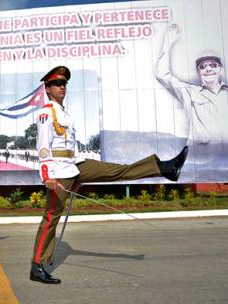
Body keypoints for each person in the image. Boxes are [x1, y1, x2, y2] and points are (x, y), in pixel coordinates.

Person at [30, 66, 188, 284]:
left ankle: (164, 168)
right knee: (50, 218)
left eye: (64, 84)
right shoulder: (45, 113)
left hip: (74, 165)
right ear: (47, 89)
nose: (62, 87)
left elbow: (70, 147)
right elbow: (43, 147)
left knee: (116, 170)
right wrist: (47, 175)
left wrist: (78, 177)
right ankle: (37, 266)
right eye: (57, 84)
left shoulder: (65, 114)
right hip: (58, 170)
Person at [155, 24, 228, 164]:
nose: (208, 69)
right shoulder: (188, 91)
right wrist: (167, 44)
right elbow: (162, 75)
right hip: (200, 162)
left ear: (221, 70)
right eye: (202, 67)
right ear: (198, 73)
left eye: (213, 65)